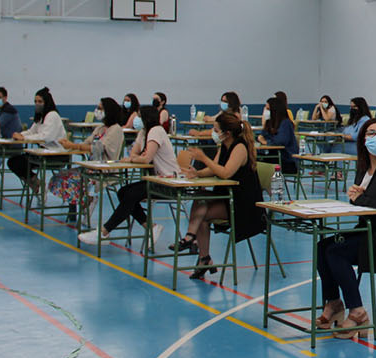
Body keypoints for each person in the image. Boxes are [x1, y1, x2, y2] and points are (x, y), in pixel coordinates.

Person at [313, 118, 376, 338]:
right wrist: (356, 198)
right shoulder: (364, 168)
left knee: (335, 252)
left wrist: (360, 199)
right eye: (371, 133)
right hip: (369, 230)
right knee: (322, 246)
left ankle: (357, 311)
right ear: (363, 139)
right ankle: (333, 303)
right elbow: (361, 201)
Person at [166, 112, 266, 282]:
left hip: (245, 205)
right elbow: (214, 168)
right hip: (228, 197)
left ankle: (194, 243)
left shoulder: (240, 147)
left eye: (215, 129)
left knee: (202, 212)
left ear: (227, 133)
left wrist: (204, 158)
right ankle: (200, 252)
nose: (213, 132)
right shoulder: (224, 145)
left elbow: (226, 173)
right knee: (200, 199)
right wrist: (197, 174)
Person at [78, 105, 178, 248]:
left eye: (139, 116)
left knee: (130, 194)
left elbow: (145, 159)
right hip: (155, 179)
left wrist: (135, 158)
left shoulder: (157, 131)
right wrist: (135, 157)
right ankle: (151, 227)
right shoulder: (143, 132)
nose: (136, 119)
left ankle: (104, 232)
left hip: (168, 182)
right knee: (123, 192)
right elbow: (134, 154)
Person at [46, 96, 126, 224]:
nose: (97, 110)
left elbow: (97, 148)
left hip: (105, 170)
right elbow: (86, 143)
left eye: (100, 108)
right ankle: (80, 203)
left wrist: (74, 146)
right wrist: (68, 144)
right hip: (90, 167)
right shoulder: (100, 128)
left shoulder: (116, 130)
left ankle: (88, 200)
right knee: (60, 177)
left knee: (71, 180)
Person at [7, 87, 66, 188]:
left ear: (46, 102)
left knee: (18, 162)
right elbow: (31, 131)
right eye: (35, 101)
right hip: (43, 152)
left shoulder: (52, 115)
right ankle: (35, 182)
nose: (37, 104)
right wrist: (21, 135)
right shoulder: (41, 116)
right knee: (13, 162)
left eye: (40, 101)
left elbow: (46, 137)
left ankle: (36, 183)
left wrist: (24, 139)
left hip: (56, 154)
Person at [259, 94, 300, 175]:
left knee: (258, 167)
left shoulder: (286, 123)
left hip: (287, 161)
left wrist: (266, 142)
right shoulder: (270, 123)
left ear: (274, 110)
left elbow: (280, 141)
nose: (265, 112)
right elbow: (261, 136)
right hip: (274, 157)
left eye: (267, 109)